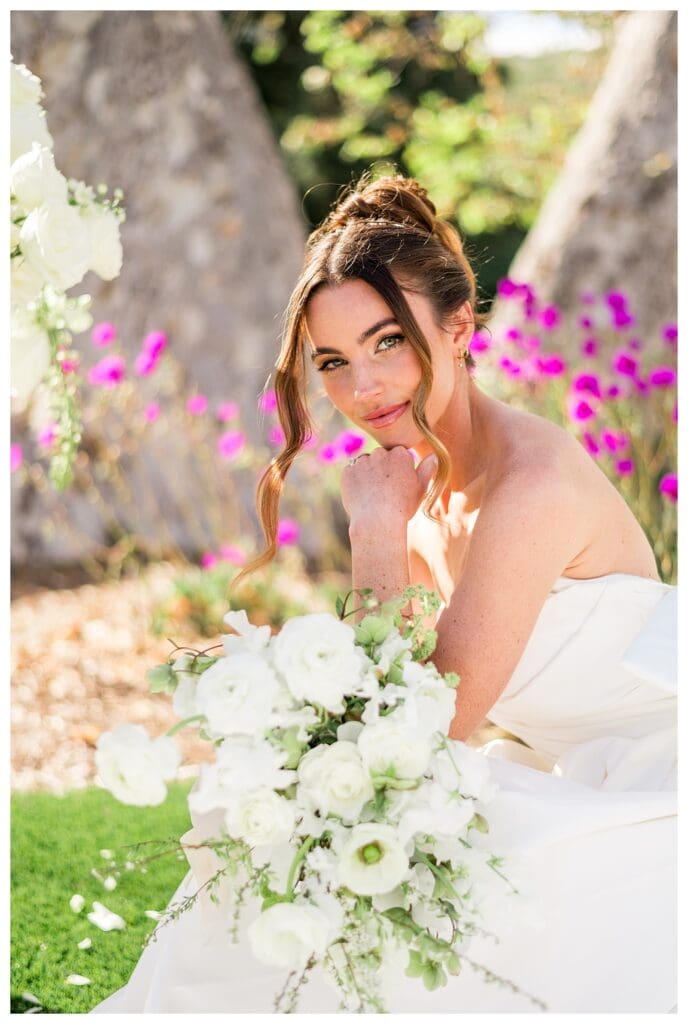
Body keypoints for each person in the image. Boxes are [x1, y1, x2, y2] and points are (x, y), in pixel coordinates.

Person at [93, 174, 676, 1013]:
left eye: (388, 342)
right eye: (333, 361)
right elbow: (388, 703)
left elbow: (422, 728)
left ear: (460, 327)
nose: (363, 387)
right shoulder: (420, 479)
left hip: (657, 778)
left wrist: (374, 533)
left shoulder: (530, 488)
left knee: (446, 853)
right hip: (565, 765)